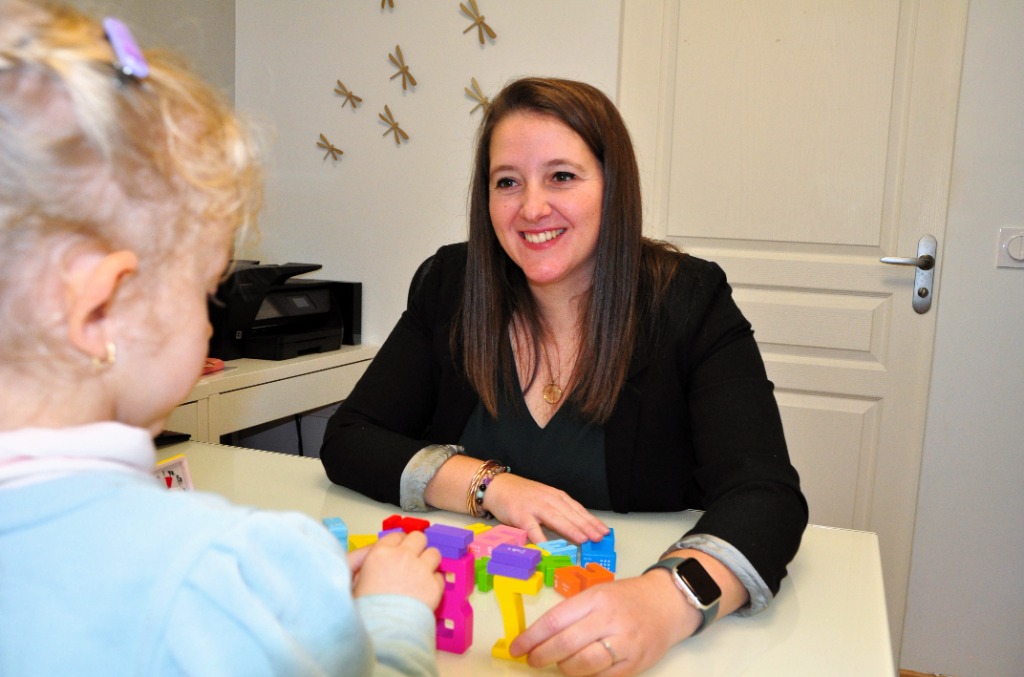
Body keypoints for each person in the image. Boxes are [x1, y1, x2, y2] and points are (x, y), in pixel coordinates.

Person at [0, 2, 443, 675]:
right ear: (99, 311)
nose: (211, 323)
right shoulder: (222, 577)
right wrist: (393, 618)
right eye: (205, 289)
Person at [321, 75, 808, 676]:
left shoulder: (688, 300)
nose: (531, 208)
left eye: (562, 176)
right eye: (507, 183)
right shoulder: (451, 282)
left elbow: (765, 495)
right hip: (475, 634)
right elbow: (351, 438)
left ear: (612, 187)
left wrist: (666, 601)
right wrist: (491, 486)